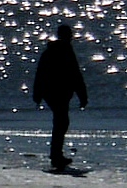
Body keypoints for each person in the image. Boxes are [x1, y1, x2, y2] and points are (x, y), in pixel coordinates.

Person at [32, 24, 88, 170]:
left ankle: (56, 155)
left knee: (61, 122)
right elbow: (75, 74)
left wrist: (37, 94)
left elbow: (40, 73)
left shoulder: (50, 51)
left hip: (51, 92)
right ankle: (56, 156)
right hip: (58, 92)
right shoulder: (65, 51)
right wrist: (83, 95)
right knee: (61, 122)